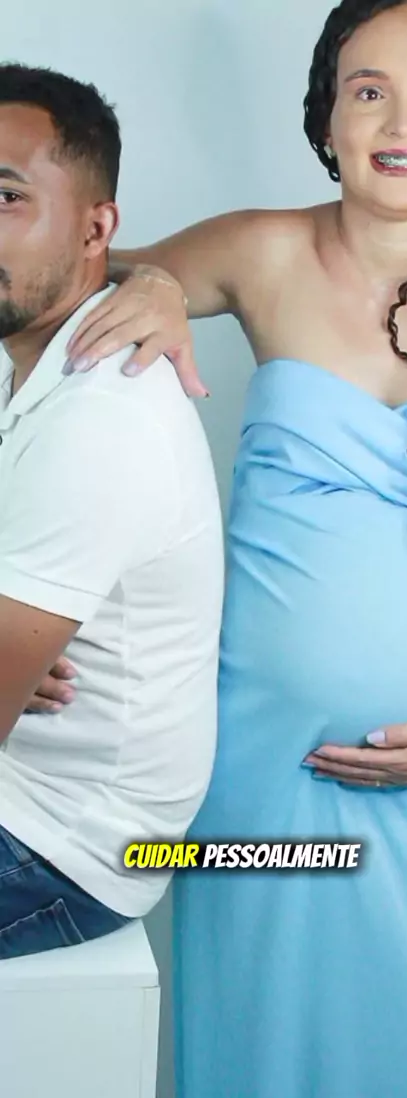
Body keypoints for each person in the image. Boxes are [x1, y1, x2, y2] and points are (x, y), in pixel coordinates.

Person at [32, 0, 407, 1095]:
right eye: (368, 90)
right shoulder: (261, 250)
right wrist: (152, 281)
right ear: (325, 119)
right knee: (261, 1048)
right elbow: (53, 282)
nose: (404, 120)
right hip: (255, 780)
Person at [0, 64, 224, 960]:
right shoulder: (45, 370)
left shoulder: (100, 418)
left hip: (57, 847)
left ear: (98, 229)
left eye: (6, 197)